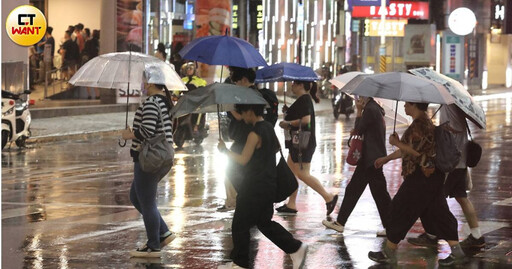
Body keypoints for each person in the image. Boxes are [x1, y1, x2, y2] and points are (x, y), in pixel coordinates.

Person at [368, 102, 467, 267]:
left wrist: (396, 143)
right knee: (440, 213)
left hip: (421, 178)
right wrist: (387, 159)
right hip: (432, 177)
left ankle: (389, 252)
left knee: (399, 209)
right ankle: (457, 252)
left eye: (407, 104)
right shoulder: (423, 123)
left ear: (414, 105)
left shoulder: (419, 126)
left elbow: (417, 153)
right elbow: (409, 149)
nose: (405, 106)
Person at [217, 103, 308, 269]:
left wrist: (224, 150)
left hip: (253, 185)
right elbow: (274, 150)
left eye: (243, 113)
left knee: (239, 224)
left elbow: (243, 159)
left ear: (250, 111)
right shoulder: (268, 127)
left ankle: (240, 263)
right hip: (268, 183)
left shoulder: (254, 133)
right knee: (264, 223)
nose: (243, 117)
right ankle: (295, 247)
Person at [407, 104, 485, 249]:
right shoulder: (459, 105)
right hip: (460, 161)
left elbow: (452, 128)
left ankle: (433, 235)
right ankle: (477, 235)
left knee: (434, 199)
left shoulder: (449, 105)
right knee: (462, 198)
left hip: (450, 162)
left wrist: (435, 128)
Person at [121, 71, 176, 258]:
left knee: (146, 201)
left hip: (149, 157)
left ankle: (154, 245)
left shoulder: (153, 103)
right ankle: (162, 232)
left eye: (145, 80)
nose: (143, 83)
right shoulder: (164, 102)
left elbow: (147, 131)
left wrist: (129, 134)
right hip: (160, 156)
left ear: (152, 83)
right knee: (136, 197)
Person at [322, 96, 391, 236]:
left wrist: (359, 111)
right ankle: (341, 223)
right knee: (360, 191)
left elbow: (359, 129)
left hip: (371, 160)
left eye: (360, 96)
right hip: (371, 158)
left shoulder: (370, 109)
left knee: (378, 195)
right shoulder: (374, 108)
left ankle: (392, 228)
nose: (358, 98)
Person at [217, 68, 277, 212]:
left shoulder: (247, 96)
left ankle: (236, 201)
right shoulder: (256, 94)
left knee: (233, 170)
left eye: (236, 81)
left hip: (245, 139)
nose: (236, 84)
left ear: (243, 79)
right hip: (248, 142)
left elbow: (241, 117)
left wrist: (228, 106)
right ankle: (235, 200)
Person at [82, 29, 100, 99]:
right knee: (95, 79)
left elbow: (85, 52)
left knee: (88, 79)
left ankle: (89, 94)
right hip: (96, 62)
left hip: (89, 62)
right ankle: (97, 94)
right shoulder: (97, 42)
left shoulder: (88, 42)